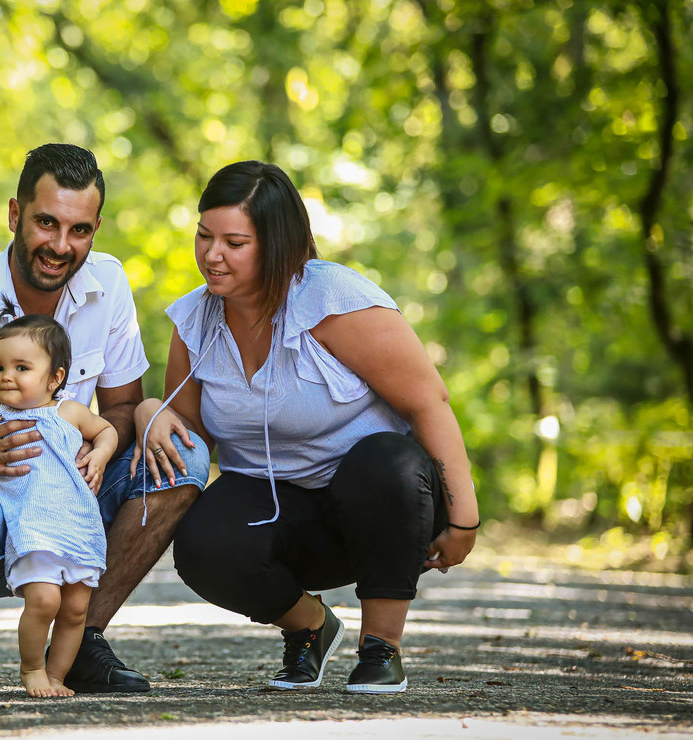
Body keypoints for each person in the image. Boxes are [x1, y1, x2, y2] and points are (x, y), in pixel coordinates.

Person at [133, 160, 479, 695]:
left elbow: (429, 402)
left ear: (278, 246)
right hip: (280, 513)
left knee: (386, 461)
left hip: (380, 508)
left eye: (234, 242)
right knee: (202, 543)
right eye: (204, 236)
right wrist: (147, 411)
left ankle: (381, 647)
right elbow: (191, 432)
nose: (211, 254)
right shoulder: (195, 322)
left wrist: (463, 520)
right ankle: (310, 627)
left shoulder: (335, 301)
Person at [0, 143, 209, 697]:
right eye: (46, 223)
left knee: (183, 459)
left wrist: (101, 447)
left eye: (79, 230)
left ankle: (80, 642)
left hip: (64, 500)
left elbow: (121, 407)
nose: (60, 246)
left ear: (96, 228)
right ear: (15, 215)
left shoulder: (107, 282)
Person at [0, 313, 117, 697]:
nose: (6, 376)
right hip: (31, 525)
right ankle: (32, 668)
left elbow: (106, 430)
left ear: (55, 378)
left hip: (78, 526)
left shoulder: (69, 412)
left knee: (75, 610)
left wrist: (101, 454)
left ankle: (57, 676)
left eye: (21, 368)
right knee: (44, 600)